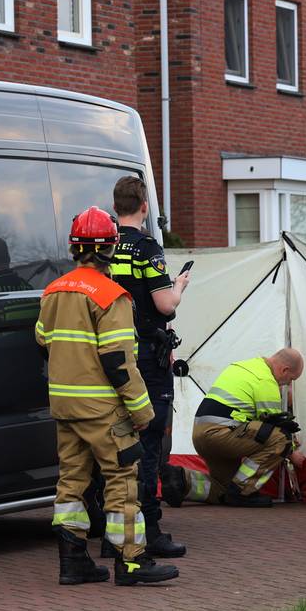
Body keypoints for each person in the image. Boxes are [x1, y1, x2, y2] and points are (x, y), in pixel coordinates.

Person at [36, 206, 179, 586]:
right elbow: (119, 361)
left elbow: (42, 340)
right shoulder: (111, 295)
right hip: (102, 408)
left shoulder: (53, 291)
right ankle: (131, 562)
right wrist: (142, 409)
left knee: (71, 482)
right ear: (110, 248)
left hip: (64, 406)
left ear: (75, 248)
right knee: (122, 478)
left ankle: (73, 561)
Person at [104, 175, 191, 558]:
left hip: (112, 356)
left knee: (116, 443)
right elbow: (164, 305)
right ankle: (149, 529)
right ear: (143, 206)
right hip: (148, 362)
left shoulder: (106, 248)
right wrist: (180, 285)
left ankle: (113, 533)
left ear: (115, 206)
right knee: (150, 442)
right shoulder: (146, 248)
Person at [160, 349, 306, 507]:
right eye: (291, 379)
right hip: (222, 435)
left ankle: (182, 480)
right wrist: (292, 451)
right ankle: (243, 491)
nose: (288, 384)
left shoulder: (243, 366)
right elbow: (276, 427)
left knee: (225, 490)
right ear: (285, 370)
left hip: (201, 435)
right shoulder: (266, 381)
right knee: (282, 438)